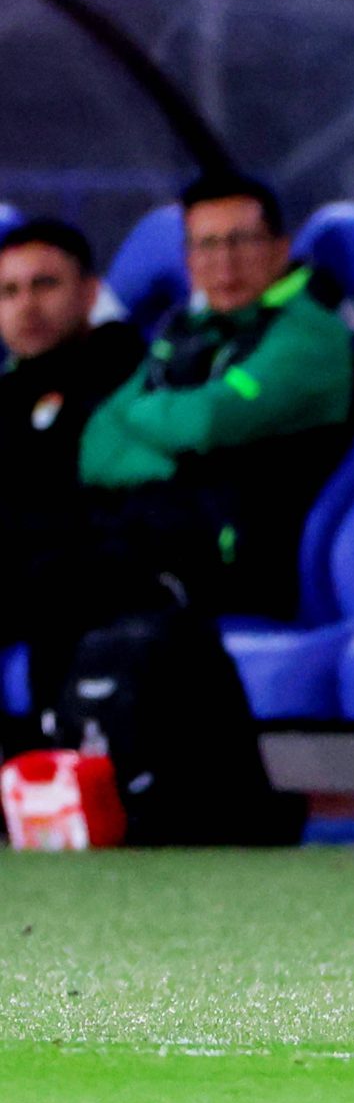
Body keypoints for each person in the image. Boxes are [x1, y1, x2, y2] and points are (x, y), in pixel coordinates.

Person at [27, 174, 354, 704]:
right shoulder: (187, 330)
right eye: (206, 245)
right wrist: (179, 442)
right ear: (188, 259)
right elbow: (98, 444)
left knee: (62, 584)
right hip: (152, 538)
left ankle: (56, 763)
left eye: (240, 242)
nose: (223, 263)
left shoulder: (309, 335)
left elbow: (207, 423)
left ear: (280, 248)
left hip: (236, 561)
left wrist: (162, 427)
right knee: (37, 568)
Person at [0, 219, 144, 730]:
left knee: (56, 584)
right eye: (9, 291)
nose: (27, 306)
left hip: (99, 566)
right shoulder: (11, 392)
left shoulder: (123, 369)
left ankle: (53, 774)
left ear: (90, 292)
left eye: (45, 284)